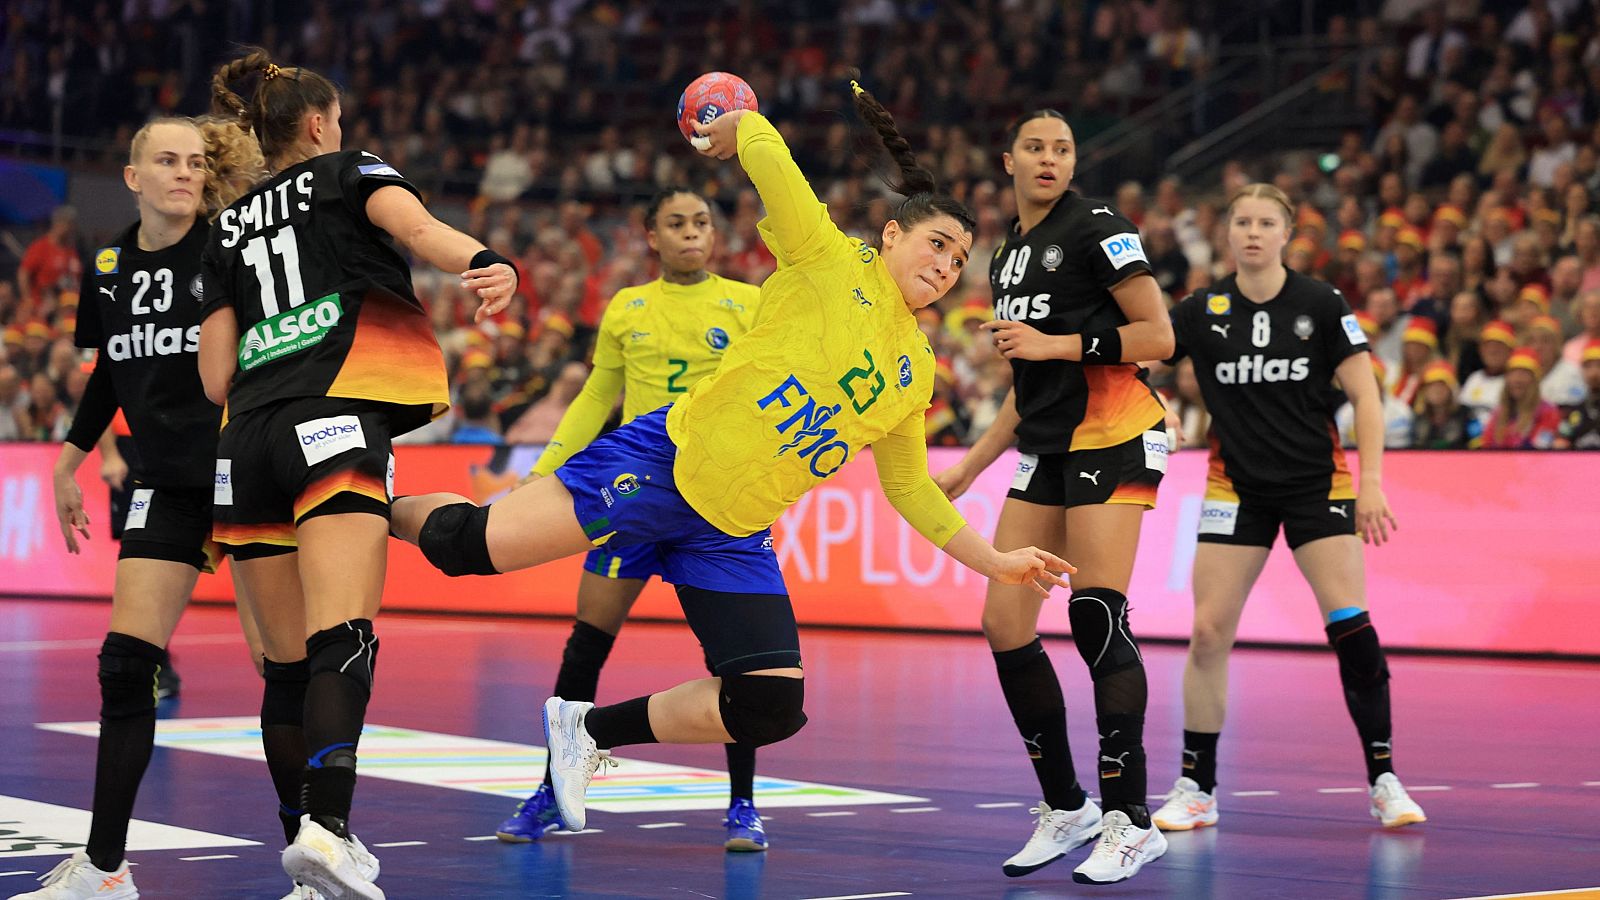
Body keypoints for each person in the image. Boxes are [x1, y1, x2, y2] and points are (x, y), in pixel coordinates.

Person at [388, 77, 1070, 856]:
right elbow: (774, 164)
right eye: (935, 244)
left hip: (731, 532)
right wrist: (738, 120)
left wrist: (996, 561)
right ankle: (370, 499)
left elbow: (910, 486)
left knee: (769, 706)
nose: (947, 265)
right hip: (660, 468)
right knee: (467, 549)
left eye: (959, 258)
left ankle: (585, 730)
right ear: (888, 237)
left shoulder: (915, 370)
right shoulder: (829, 260)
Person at [198, 50, 517, 900]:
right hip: (331, 414)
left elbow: (213, 378)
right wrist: (486, 260)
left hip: (246, 438)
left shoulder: (225, 224)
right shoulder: (350, 169)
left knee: (284, 667)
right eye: (333, 121)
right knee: (345, 634)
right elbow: (418, 230)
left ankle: (305, 857)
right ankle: (328, 832)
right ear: (317, 125)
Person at [14, 116, 261, 900]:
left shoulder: (229, 247)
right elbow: (112, 371)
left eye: (194, 162)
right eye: (166, 160)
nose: (184, 172)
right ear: (134, 177)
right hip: (166, 481)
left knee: (285, 672)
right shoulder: (111, 263)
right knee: (126, 668)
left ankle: (320, 855)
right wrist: (69, 457)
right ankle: (106, 868)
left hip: (245, 478)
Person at [932, 109, 1175, 885]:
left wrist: (1059, 344)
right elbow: (1026, 385)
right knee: (1003, 619)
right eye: (1035, 147)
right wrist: (970, 466)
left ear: (1073, 161)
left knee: (1096, 614)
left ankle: (1132, 822)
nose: (1048, 158)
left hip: (1116, 431)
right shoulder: (1009, 253)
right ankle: (1066, 806)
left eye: (1062, 148)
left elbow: (1159, 335)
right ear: (1009, 160)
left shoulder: (1098, 224)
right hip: (1049, 442)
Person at [494, 188, 771, 851]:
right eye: (675, 224)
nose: (690, 233)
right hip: (636, 496)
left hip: (714, 502)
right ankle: (550, 788)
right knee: (586, 645)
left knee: (736, 662)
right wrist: (543, 471)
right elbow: (597, 396)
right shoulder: (628, 307)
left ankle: (743, 805)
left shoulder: (747, 303)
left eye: (702, 222)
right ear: (650, 236)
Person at [1152, 183, 1427, 837]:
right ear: (1227, 234)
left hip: (1318, 485)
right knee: (1207, 634)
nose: (1252, 231)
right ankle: (1197, 786)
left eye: (1265, 222)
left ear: (1287, 233)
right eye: (1241, 221)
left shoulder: (1320, 302)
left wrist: (1374, 482)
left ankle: (1384, 778)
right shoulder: (1201, 308)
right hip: (1235, 486)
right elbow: (1140, 360)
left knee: (1350, 626)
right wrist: (1157, 404)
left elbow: (1365, 394)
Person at [1480, 348, 1563, 448]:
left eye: (1524, 374)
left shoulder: (1548, 412)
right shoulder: (1499, 412)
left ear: (1534, 380)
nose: (1517, 379)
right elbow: (1486, 445)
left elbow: (1538, 450)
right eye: (1513, 373)